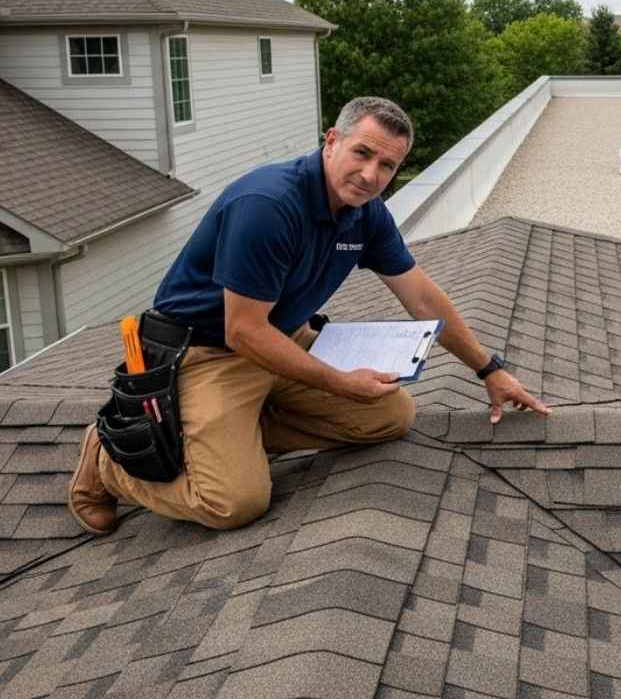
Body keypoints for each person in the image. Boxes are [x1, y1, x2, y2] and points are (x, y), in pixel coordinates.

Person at [68, 96, 548, 535]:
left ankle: (233, 437)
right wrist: (340, 384)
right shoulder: (269, 206)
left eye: (388, 165)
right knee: (232, 502)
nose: (371, 174)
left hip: (285, 338)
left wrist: (489, 369)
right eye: (362, 153)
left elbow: (423, 298)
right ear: (331, 140)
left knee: (388, 414)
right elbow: (243, 331)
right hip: (209, 353)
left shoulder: (367, 213)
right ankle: (107, 460)